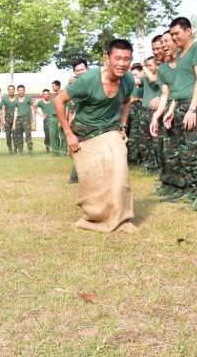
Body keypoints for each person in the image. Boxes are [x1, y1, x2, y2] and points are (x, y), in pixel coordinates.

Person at [53, 39, 137, 233]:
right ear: (107, 59)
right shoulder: (88, 79)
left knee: (119, 167)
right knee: (94, 180)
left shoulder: (129, 80)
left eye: (127, 59)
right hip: (85, 132)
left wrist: (123, 125)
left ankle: (120, 219)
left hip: (110, 129)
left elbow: (126, 101)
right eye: (117, 58)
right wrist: (69, 134)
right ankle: (96, 217)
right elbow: (59, 100)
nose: (122, 63)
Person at [166, 17, 197, 211]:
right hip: (180, 107)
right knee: (185, 153)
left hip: (194, 108)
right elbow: (179, 85)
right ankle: (192, 190)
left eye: (177, 33)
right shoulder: (181, 54)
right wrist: (171, 109)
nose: (174, 37)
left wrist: (193, 109)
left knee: (196, 152)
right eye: (172, 34)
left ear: (188, 31)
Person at [150, 31, 183, 198]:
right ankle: (172, 183)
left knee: (185, 151)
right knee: (167, 149)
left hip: (185, 108)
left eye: (166, 41)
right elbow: (165, 94)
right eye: (161, 42)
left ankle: (189, 188)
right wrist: (156, 116)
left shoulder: (186, 63)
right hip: (168, 111)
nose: (163, 46)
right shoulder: (162, 69)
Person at [11, 85, 34, 155]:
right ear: (17, 91)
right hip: (18, 119)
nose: (21, 91)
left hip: (26, 119)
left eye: (22, 90)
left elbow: (32, 109)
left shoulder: (28, 98)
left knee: (28, 135)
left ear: (24, 91)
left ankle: (30, 152)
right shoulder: (16, 100)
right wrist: (14, 123)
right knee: (19, 136)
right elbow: (15, 111)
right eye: (19, 90)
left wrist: (34, 120)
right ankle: (20, 152)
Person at [35, 89, 54, 155]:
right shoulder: (40, 102)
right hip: (46, 120)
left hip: (54, 119)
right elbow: (33, 108)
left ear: (49, 94)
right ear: (43, 95)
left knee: (54, 135)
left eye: (47, 94)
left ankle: (56, 149)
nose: (46, 95)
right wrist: (41, 114)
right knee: (47, 135)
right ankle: (47, 149)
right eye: (45, 94)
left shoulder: (53, 101)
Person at [0, 85, 17, 154]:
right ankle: (10, 150)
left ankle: (16, 149)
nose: (11, 91)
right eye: (9, 89)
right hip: (7, 119)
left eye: (12, 89)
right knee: (8, 136)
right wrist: (3, 120)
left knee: (16, 135)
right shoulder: (4, 99)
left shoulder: (17, 99)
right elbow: (3, 109)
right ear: (8, 91)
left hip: (16, 119)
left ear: (14, 90)